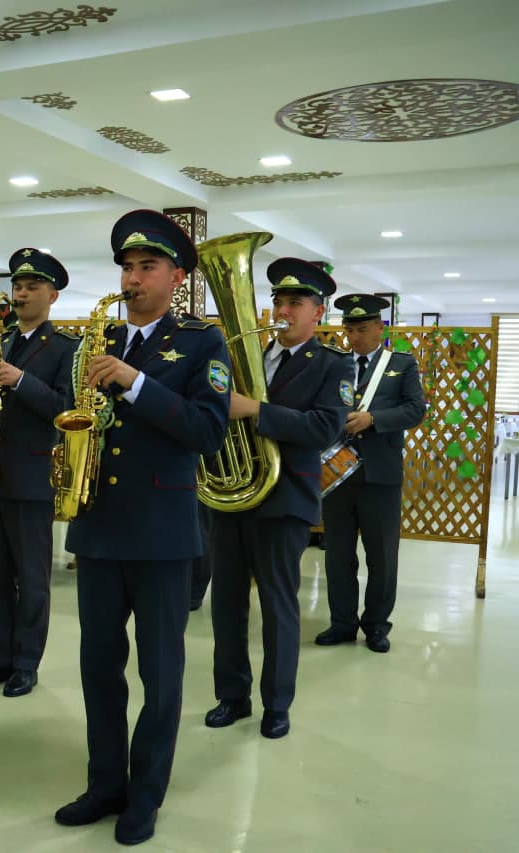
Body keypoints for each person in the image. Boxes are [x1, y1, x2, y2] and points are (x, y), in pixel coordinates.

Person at [54, 210, 231, 845]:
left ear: (176, 276)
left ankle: (145, 795)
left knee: (160, 673)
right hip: (99, 531)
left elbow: (208, 430)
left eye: (146, 267)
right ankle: (106, 784)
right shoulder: (98, 338)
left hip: (161, 535)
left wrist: (134, 383)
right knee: (98, 666)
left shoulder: (202, 343)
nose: (132, 278)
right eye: (126, 268)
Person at [206, 258, 349, 740]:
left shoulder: (333, 364)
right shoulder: (239, 357)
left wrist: (255, 410)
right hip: (231, 497)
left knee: (278, 605)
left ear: (318, 313)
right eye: (278, 301)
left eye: (295, 303)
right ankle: (232, 695)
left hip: (284, 499)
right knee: (225, 603)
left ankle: (277, 703)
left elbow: (324, 428)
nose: (283, 310)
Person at [0, 249, 77, 698]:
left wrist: (19, 381)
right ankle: (0, 658)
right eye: (17, 286)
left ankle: (27, 663)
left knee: (32, 577)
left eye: (32, 287)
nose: (22, 293)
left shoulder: (65, 348)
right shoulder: (1, 339)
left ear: (51, 295)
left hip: (32, 476)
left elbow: (65, 409)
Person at [317, 293, 426, 653]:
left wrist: (374, 419)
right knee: (337, 554)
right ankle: (342, 623)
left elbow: (415, 410)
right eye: (349, 329)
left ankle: (377, 625)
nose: (354, 337)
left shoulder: (401, 365)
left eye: (362, 329)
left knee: (381, 556)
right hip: (337, 474)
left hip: (380, 474)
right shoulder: (334, 364)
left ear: (381, 327)